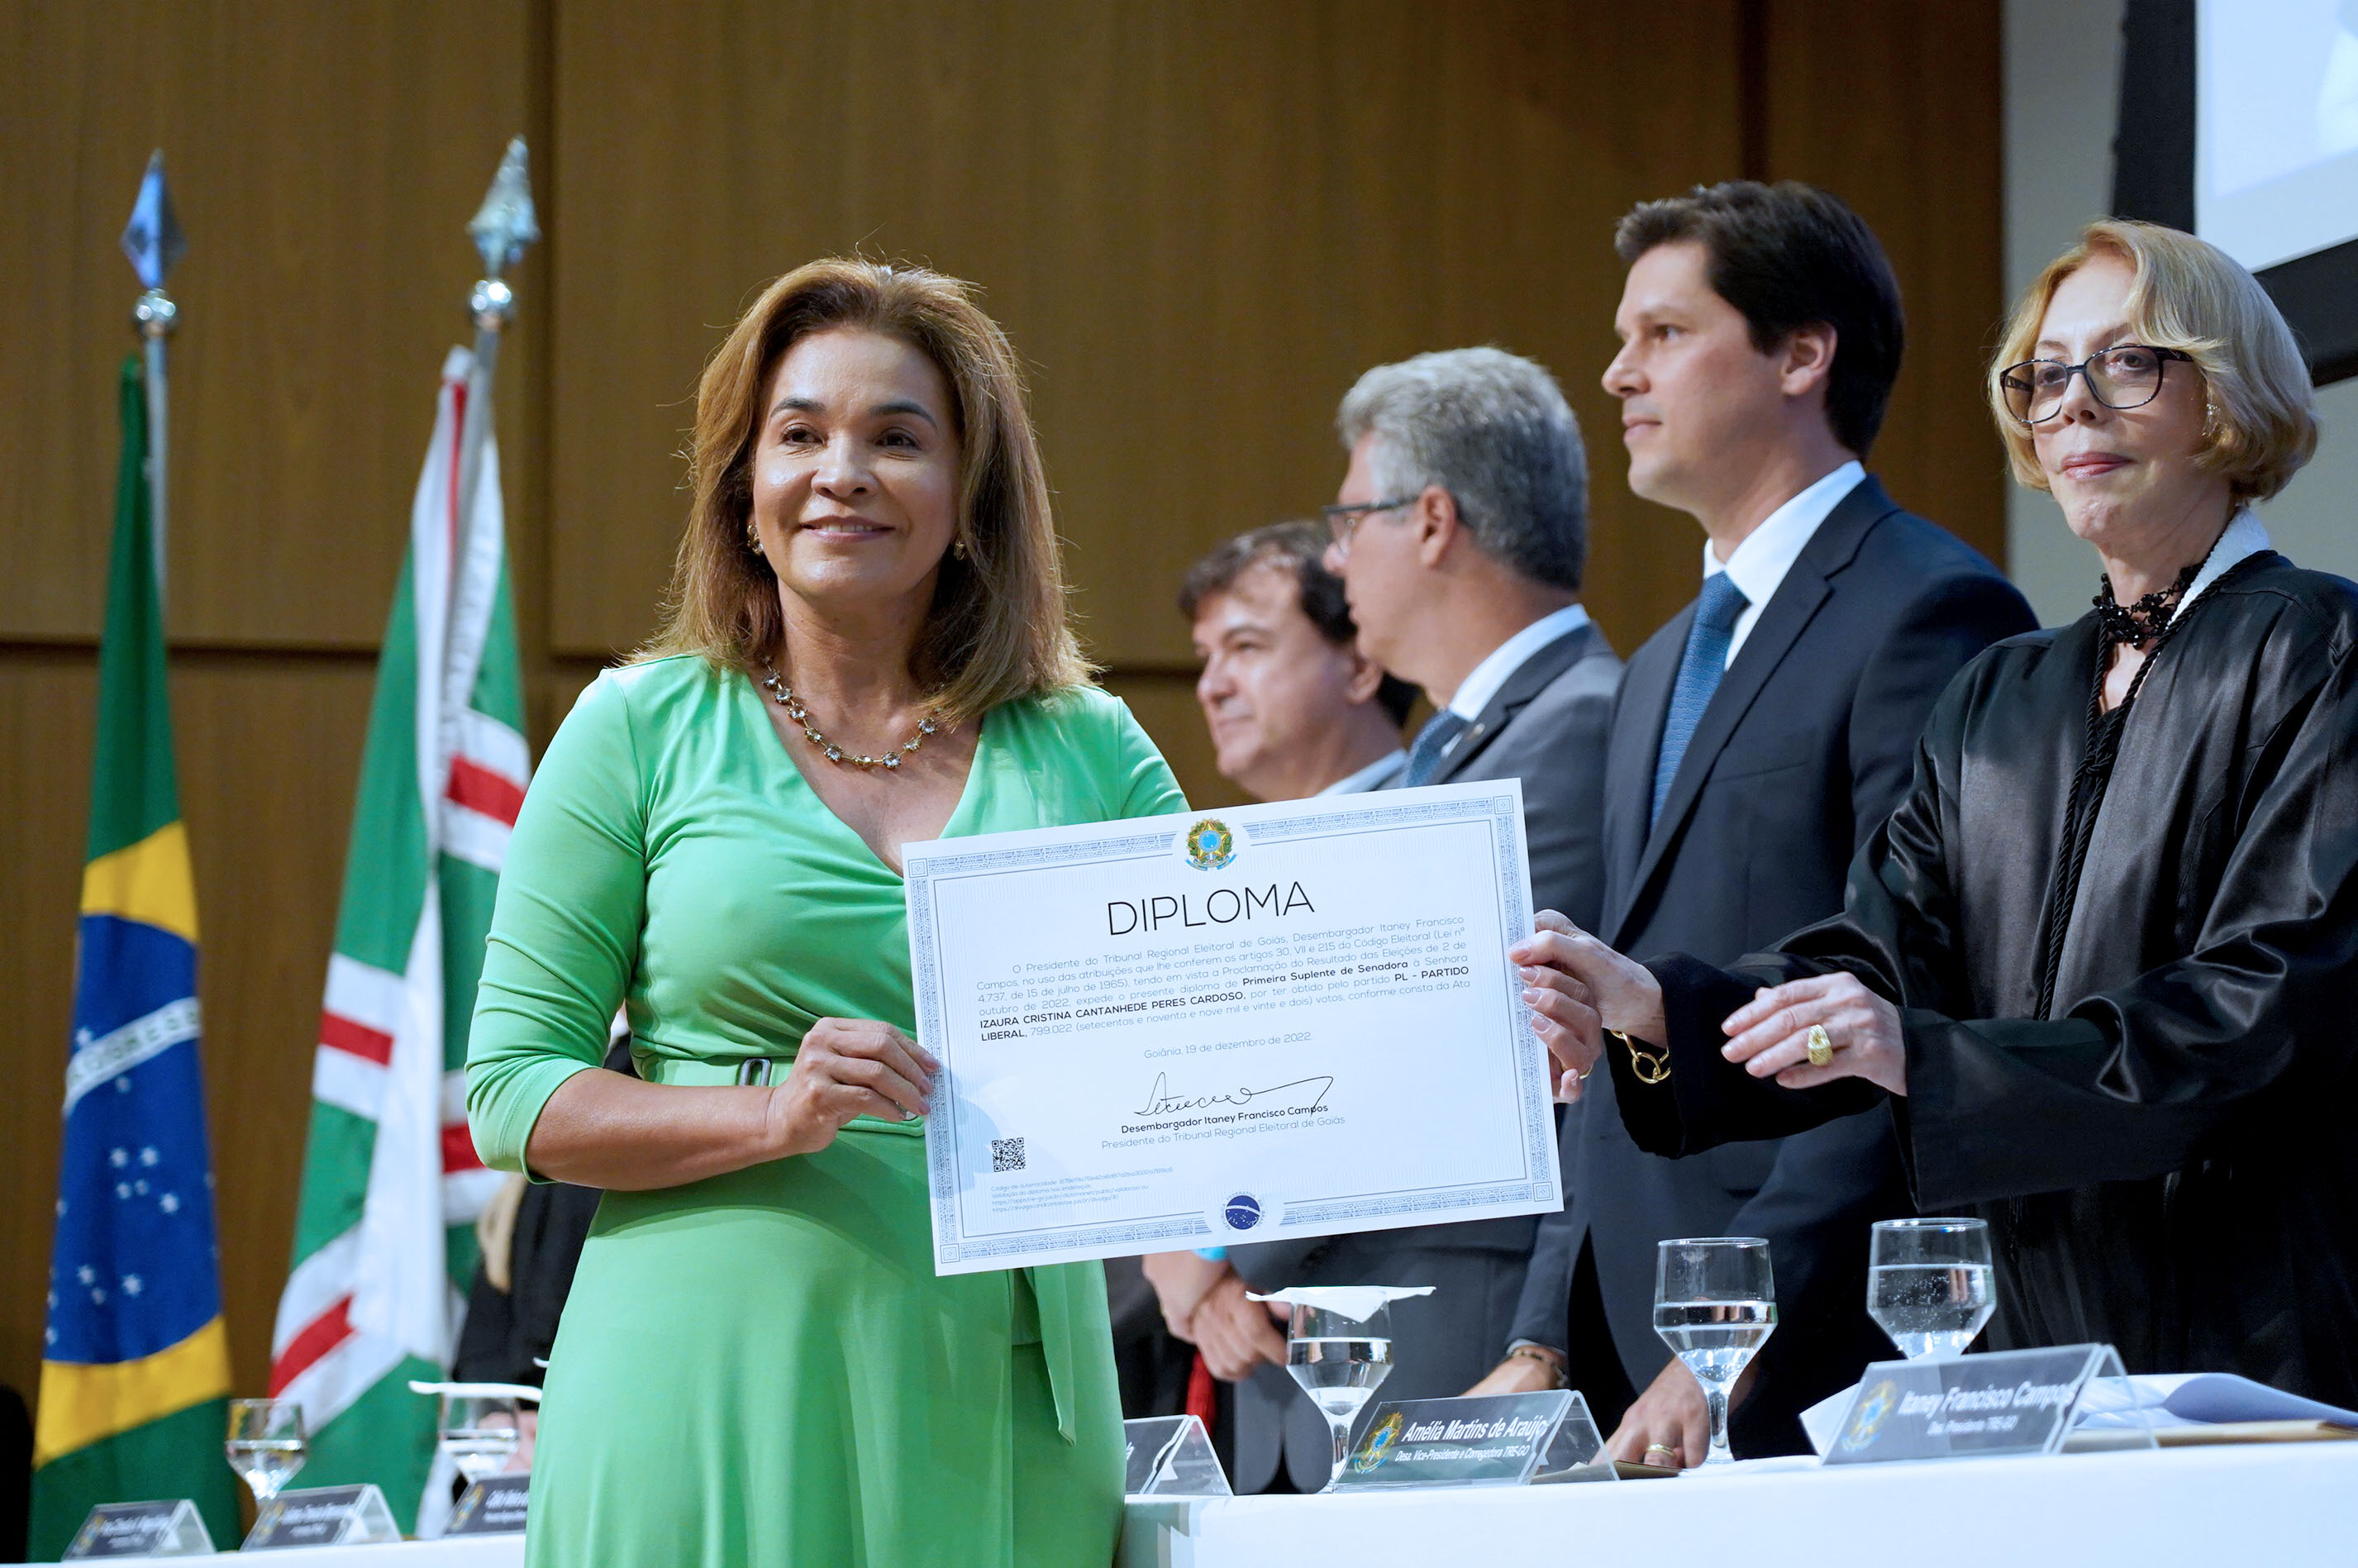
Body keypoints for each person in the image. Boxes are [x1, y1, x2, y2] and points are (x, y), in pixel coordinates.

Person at [1525, 219, 2358, 1409]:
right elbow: (1876, 962)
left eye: (2128, 363)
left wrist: (1924, 1055)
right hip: (2023, 1364)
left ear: (2225, 391)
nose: (2073, 405)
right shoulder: (2002, 695)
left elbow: (2268, 1008)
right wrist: (1658, 1008)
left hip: (2261, 1346)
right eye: (2045, 375)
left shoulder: (2322, 650)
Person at [464, 259, 1187, 1567]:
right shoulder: (635, 729)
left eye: (896, 439)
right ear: (745, 490)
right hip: (703, 1368)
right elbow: (513, 1097)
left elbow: (1231, 1024)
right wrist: (771, 1115)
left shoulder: (1094, 748)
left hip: (1003, 1385)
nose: (841, 473)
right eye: (798, 435)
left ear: (969, 498)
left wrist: (1481, 1023)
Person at [1470, 181, 2035, 1466]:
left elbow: (1906, 998)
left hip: (1806, 1341)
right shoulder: (1659, 661)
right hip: (1634, 1332)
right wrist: (1543, 1330)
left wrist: (1739, 1322)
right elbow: (1612, 1022)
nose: (1617, 374)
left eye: (1664, 334)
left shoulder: (1931, 610)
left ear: (1800, 354)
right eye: (1622, 338)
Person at [1150, 347, 1619, 1495]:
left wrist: (1213, 1244)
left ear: (1433, 521)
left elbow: (1438, 1043)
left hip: (1452, 1317)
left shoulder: (1573, 726)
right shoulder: (1462, 747)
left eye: (1349, 519)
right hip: (1318, 1340)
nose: (1333, 554)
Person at [1182, 521, 1415, 800]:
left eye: (1245, 646)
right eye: (1207, 656)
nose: (1209, 689)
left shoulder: (1443, 819)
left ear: (1359, 669)